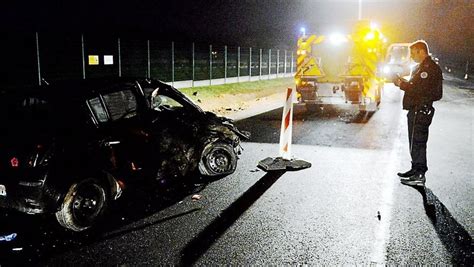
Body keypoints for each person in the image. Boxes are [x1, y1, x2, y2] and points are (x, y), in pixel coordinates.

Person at [393, 40, 443, 186]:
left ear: (421, 51)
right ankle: (415, 169)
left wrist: (401, 84)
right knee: (414, 141)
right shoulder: (422, 67)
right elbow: (417, 86)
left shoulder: (428, 68)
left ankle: (419, 174)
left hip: (421, 110)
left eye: (413, 53)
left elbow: (418, 89)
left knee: (418, 142)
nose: (412, 56)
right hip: (417, 109)